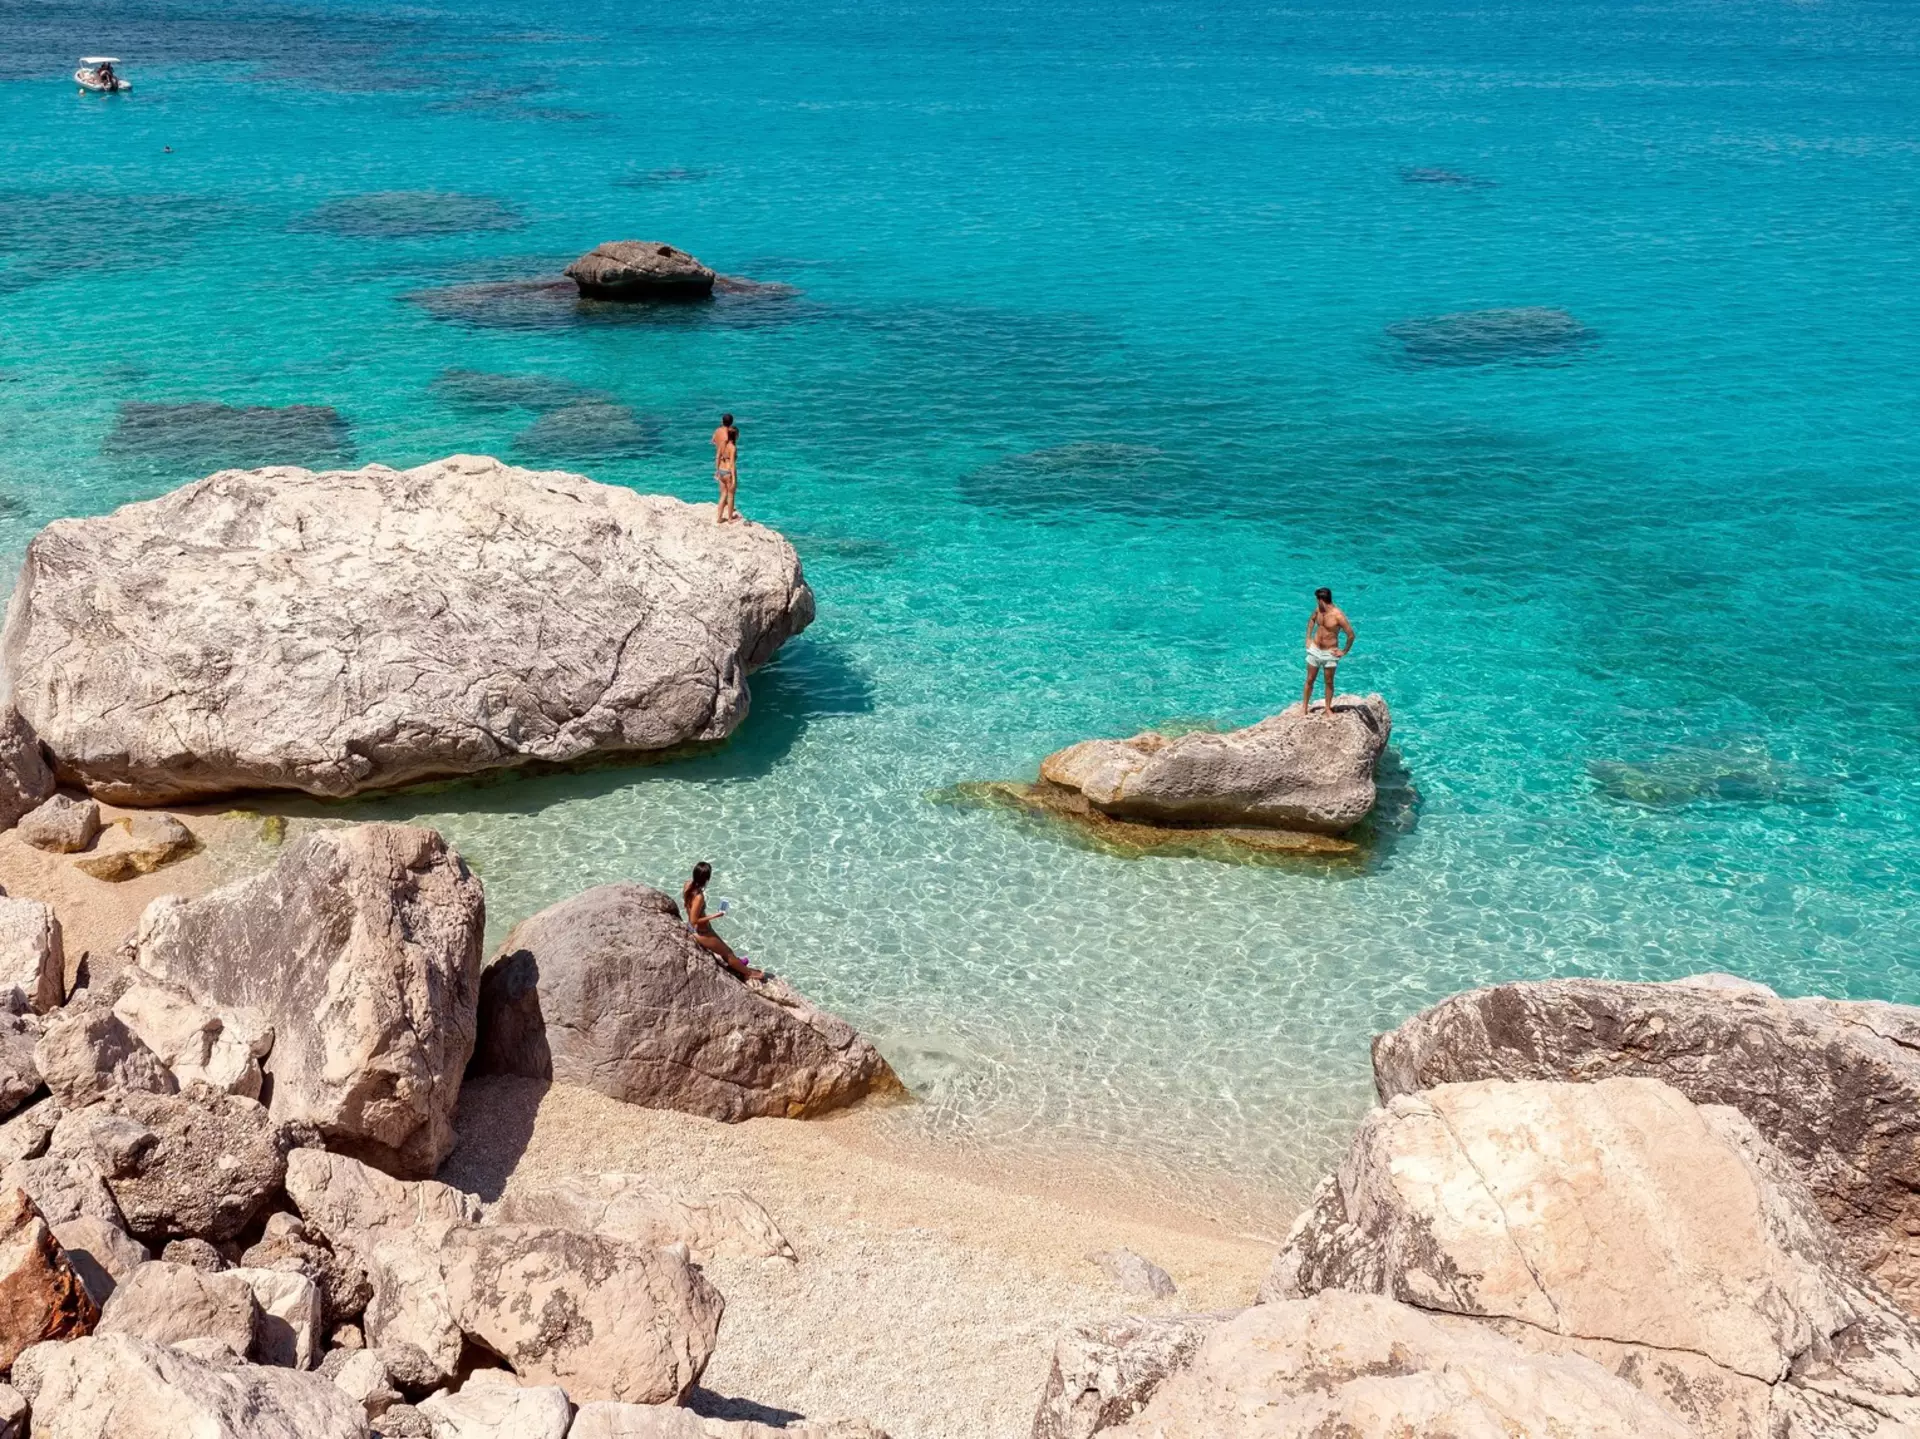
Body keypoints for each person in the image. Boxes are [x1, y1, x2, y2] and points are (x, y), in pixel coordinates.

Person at [683, 861, 762, 980]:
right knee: (727, 953)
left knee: (725, 949)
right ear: (707, 878)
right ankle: (748, 974)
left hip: (700, 929)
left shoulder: (688, 884)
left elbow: (689, 912)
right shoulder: (699, 896)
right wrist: (715, 915)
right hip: (701, 932)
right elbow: (694, 920)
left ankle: (736, 965)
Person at [1301, 586, 1354, 716]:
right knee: (1309, 679)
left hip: (1330, 653)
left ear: (1321, 600)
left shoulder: (1338, 616)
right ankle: (1304, 707)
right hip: (1315, 649)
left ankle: (1328, 708)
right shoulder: (1319, 610)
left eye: (1316, 599)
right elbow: (1312, 620)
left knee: (1329, 682)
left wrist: (1344, 651)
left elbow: (1351, 635)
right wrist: (1308, 638)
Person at [710, 413, 740, 524]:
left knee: (723, 493)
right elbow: (732, 463)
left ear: (722, 421)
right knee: (731, 494)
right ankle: (730, 518)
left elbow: (713, 441)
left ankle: (719, 517)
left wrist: (717, 470)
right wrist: (734, 478)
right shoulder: (730, 443)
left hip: (721, 465)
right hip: (728, 469)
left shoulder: (717, 431)